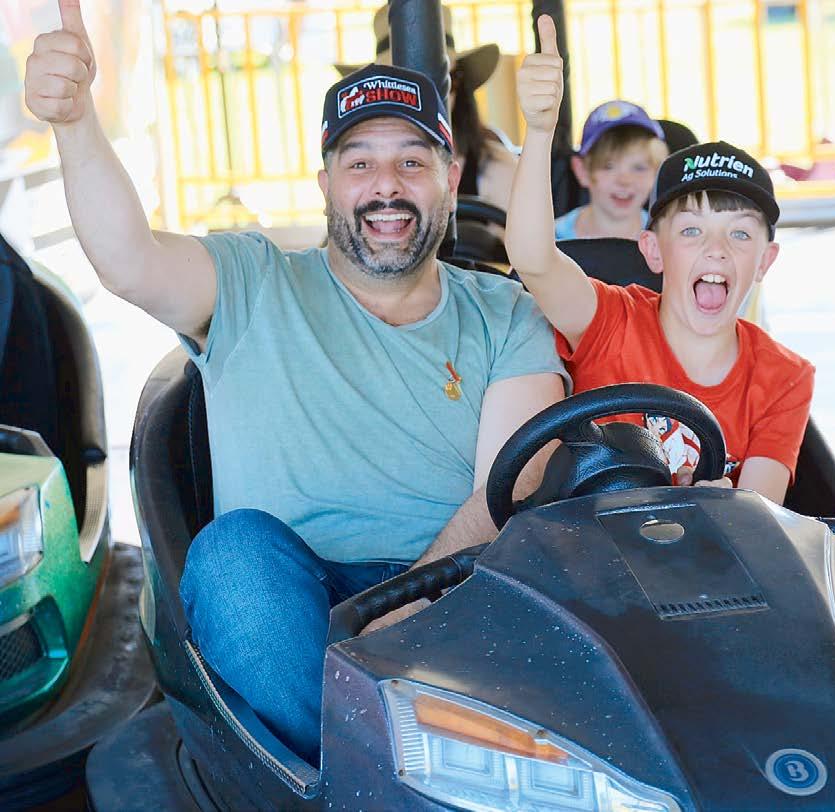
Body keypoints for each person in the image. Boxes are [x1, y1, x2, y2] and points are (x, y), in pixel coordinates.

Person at [25, 0, 567, 765]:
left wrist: (406, 608)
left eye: (413, 163)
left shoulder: (504, 310)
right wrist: (76, 122)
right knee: (232, 559)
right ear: (325, 182)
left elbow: (510, 484)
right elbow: (128, 260)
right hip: (286, 599)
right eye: (360, 164)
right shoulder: (253, 280)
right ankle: (377, 765)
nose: (387, 186)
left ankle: (377, 766)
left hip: (454, 589)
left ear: (451, 178)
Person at [508, 16, 813, 505]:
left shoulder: (784, 376)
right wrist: (540, 131)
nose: (716, 249)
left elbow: (761, 514)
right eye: (691, 230)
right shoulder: (610, 321)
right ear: (652, 249)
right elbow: (533, 259)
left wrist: (719, 507)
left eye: (739, 233)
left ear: (765, 261)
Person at [337, 4, 518, 211]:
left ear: (459, 85)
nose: (426, 100)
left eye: (444, 82)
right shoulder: (357, 178)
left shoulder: (496, 169)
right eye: (406, 88)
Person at [553, 99, 666, 241]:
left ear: (657, 172)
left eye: (639, 168)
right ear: (582, 171)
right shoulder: (550, 241)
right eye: (608, 166)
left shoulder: (666, 240)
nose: (625, 181)